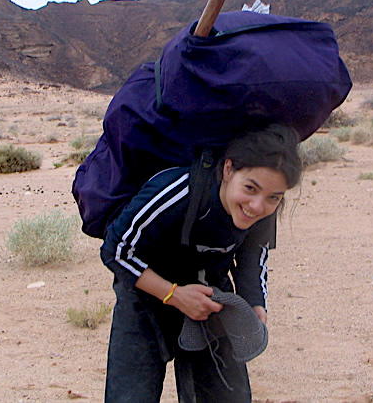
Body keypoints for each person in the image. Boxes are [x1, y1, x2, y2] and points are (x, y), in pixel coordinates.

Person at [100, 124, 302, 402]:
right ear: (228, 169)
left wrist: (255, 305)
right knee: (131, 395)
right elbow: (116, 249)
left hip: (209, 296)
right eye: (250, 188)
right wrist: (173, 294)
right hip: (146, 294)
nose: (257, 206)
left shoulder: (263, 209)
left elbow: (253, 258)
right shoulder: (178, 190)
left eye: (273, 197)